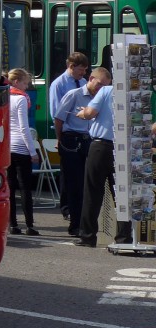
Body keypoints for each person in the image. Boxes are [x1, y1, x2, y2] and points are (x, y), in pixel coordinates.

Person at [73, 67, 114, 247]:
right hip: (122, 148)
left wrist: (82, 113)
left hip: (101, 146)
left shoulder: (105, 91)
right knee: (120, 193)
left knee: (92, 192)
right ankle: (125, 237)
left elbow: (90, 113)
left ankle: (88, 235)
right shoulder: (129, 94)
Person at [53, 76, 93, 236]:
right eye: (99, 84)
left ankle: (84, 223)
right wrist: (60, 140)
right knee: (75, 184)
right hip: (72, 139)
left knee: (86, 184)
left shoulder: (100, 96)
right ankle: (75, 223)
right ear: (91, 79)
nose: (100, 88)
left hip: (88, 139)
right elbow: (59, 118)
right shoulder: (74, 94)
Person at [6, 68, 40, 236]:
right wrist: (32, 151)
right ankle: (29, 225)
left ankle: (12, 224)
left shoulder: (5, 97)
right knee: (25, 188)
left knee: (10, 188)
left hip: (7, 148)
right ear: (16, 82)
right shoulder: (21, 99)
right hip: (21, 147)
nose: (27, 87)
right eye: (25, 83)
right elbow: (23, 128)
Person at [48, 52, 89, 127]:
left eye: (85, 70)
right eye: (81, 69)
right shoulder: (58, 84)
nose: (84, 73)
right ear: (71, 66)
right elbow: (56, 111)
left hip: (83, 127)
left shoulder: (83, 82)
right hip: (68, 129)